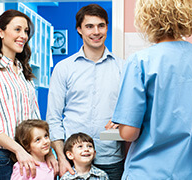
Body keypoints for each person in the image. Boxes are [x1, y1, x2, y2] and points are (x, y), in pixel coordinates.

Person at [112, 0, 192, 179]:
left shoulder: (140, 62)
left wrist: (122, 122)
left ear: (147, 18)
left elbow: (128, 133)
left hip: (150, 172)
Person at [0, 9, 57, 180]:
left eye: (26, 31)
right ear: (1, 32)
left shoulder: (24, 72)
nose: (23, 36)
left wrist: (47, 152)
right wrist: (18, 150)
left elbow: (35, 119)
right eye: (17, 29)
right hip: (1, 159)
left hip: (30, 154)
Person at [46, 4, 125, 180]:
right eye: (89, 26)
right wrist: (61, 157)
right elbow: (54, 118)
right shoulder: (63, 68)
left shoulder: (124, 68)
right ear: (79, 29)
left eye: (101, 25)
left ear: (107, 27)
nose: (96, 31)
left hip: (111, 160)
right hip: (72, 162)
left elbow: (133, 111)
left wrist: (123, 120)